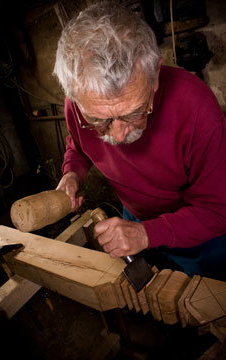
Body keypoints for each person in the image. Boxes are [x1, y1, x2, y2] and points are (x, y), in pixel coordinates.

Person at [53, 1, 226, 281]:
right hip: (134, 219)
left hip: (200, 230)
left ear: (155, 74)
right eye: (100, 121)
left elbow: (218, 210)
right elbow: (78, 143)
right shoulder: (79, 104)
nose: (119, 136)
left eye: (134, 113)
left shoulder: (197, 109)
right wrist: (72, 173)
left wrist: (148, 233)